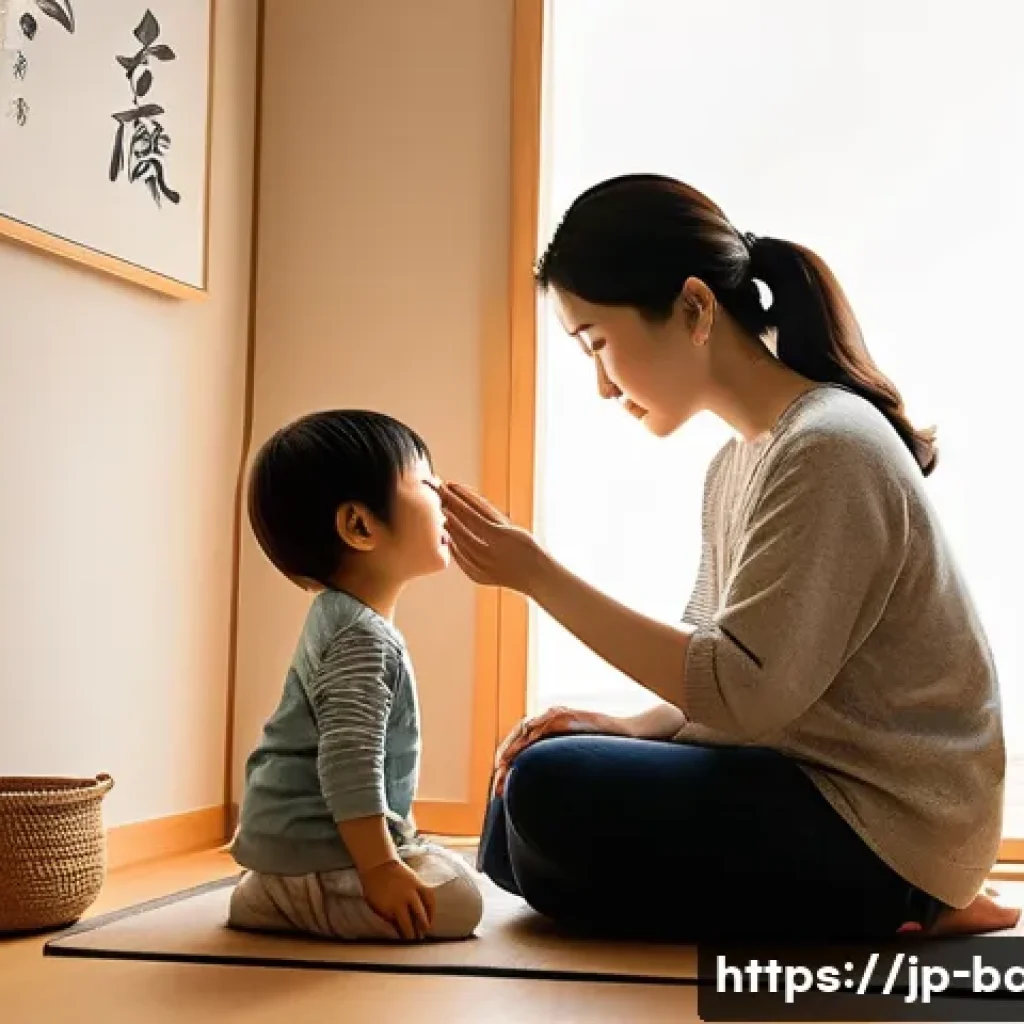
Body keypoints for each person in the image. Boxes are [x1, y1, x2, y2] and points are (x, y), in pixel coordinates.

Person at [437, 173, 1020, 943]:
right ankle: (854, 906)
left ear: (693, 308)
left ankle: (904, 900)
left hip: (882, 815)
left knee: (550, 793)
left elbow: (740, 695)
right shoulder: (739, 462)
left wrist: (536, 576)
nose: (603, 386)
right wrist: (626, 725)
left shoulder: (828, 448)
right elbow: (717, 672)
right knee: (521, 799)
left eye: (600, 345)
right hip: (795, 776)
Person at [227, 410, 483, 942]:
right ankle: (287, 897)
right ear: (360, 526)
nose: (444, 496)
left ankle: (281, 888)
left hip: (305, 845)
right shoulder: (361, 636)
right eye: (426, 483)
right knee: (462, 901)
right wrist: (381, 869)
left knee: (447, 866)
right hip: (317, 850)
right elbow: (348, 759)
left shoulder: (343, 617)